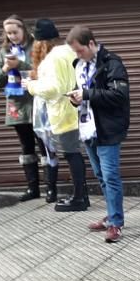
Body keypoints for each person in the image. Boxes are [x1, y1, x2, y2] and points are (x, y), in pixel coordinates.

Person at [66, 25, 130, 244]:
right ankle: (111, 215)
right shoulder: (78, 65)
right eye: (75, 52)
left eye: (80, 50)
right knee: (101, 176)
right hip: (88, 128)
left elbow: (119, 95)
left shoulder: (112, 63)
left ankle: (116, 224)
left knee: (110, 176)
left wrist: (86, 94)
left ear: (91, 43)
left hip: (108, 128)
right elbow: (82, 92)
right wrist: (76, 98)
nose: (77, 55)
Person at [23, 19, 89, 212]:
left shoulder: (53, 58)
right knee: (75, 154)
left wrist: (31, 86)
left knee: (72, 154)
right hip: (76, 109)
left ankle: (79, 198)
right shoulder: (68, 51)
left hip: (65, 112)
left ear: (40, 41)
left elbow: (55, 88)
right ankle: (81, 195)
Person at [0, 15, 49, 202]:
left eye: (15, 32)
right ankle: (32, 189)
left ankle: (51, 188)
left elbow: (43, 71)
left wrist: (21, 65)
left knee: (44, 145)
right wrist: (5, 69)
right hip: (17, 105)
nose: (12, 36)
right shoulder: (5, 51)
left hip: (36, 101)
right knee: (26, 147)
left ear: (23, 29)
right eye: (8, 33)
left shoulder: (37, 46)